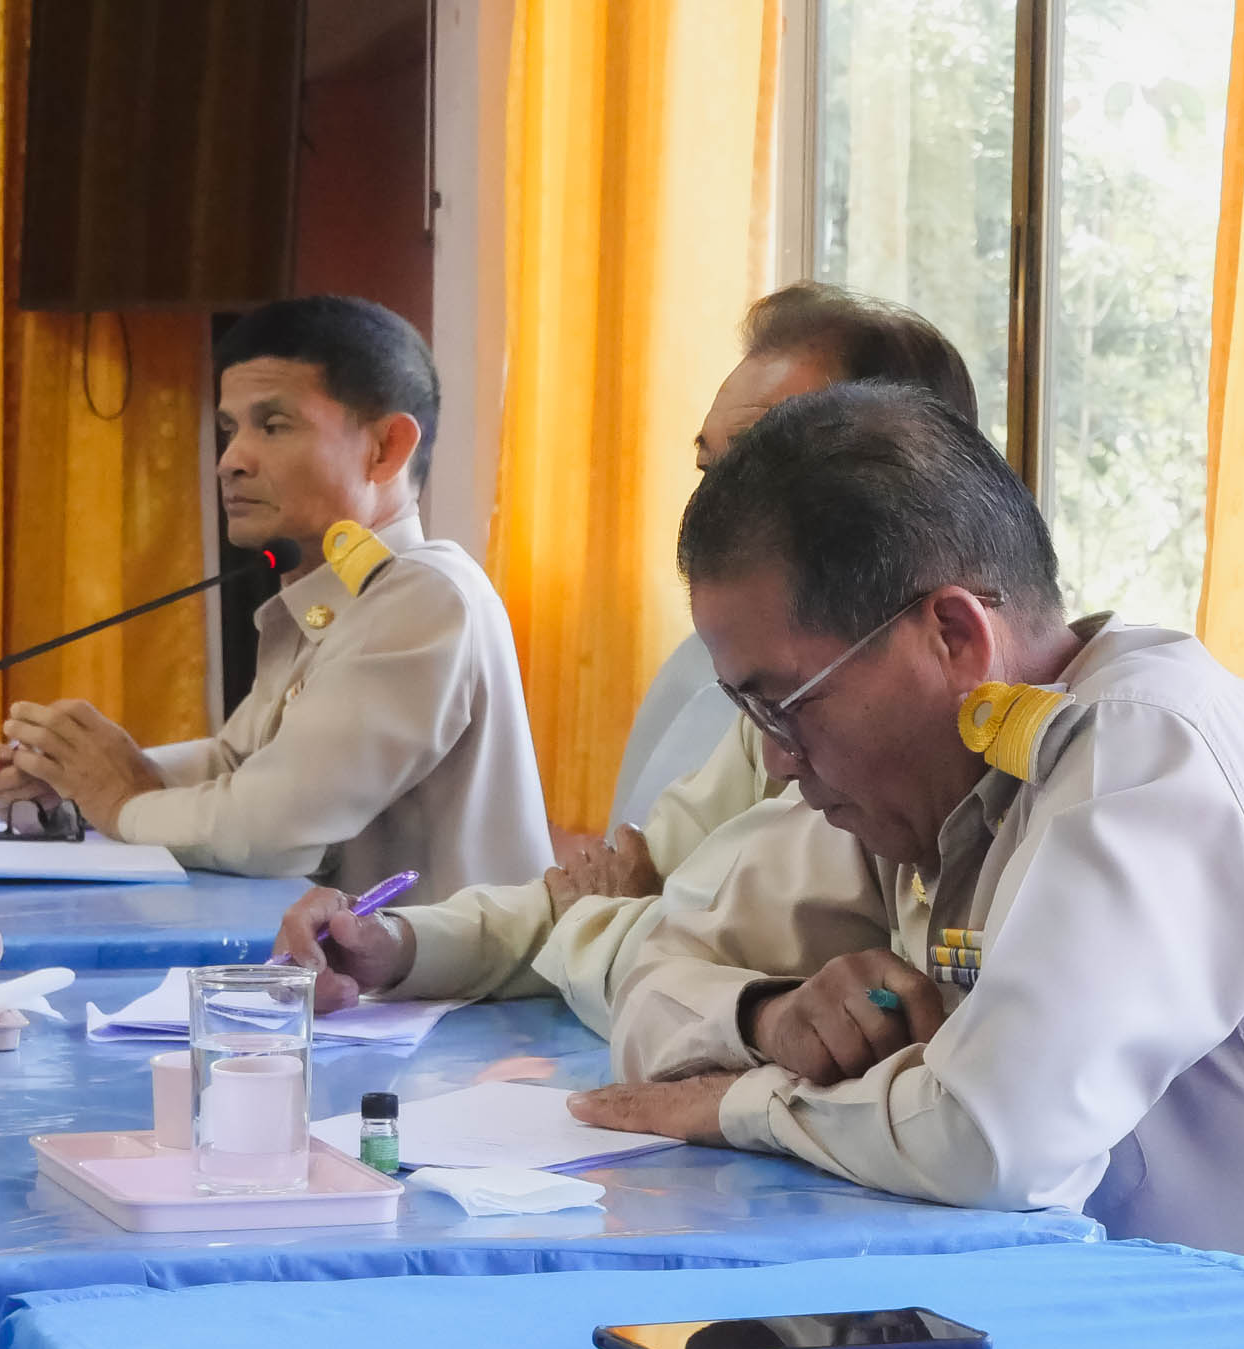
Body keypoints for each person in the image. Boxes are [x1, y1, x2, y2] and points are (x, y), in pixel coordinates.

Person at [566, 381, 1244, 1272]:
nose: (776, 759)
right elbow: (648, 981)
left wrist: (739, 1103)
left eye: (785, 705)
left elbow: (990, 1138)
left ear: (954, 637)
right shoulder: (920, 784)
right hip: (1108, 1327)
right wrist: (770, 1017)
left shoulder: (1146, 753)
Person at [271, 285, 979, 1026]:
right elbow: (604, 897)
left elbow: (680, 954)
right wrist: (395, 942)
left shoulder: (908, 725)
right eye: (710, 473)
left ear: (900, 481)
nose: (712, 518)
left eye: (760, 475)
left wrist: (613, 920)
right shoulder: (767, 709)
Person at [0, 296, 549, 903]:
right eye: (228, 429)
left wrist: (118, 800)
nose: (230, 462)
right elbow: (240, 768)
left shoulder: (426, 596)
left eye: (273, 425)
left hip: (457, 969)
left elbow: (270, 829)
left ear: (386, 448)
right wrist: (72, 778)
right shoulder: (327, 596)